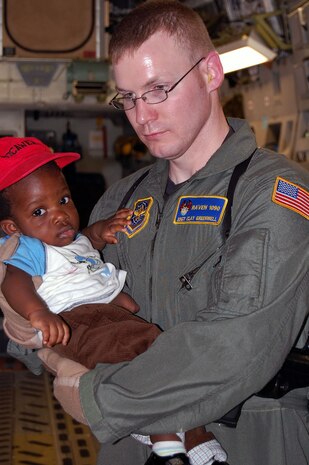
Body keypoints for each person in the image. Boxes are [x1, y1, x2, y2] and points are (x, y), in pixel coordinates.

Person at [5, 1, 309, 464]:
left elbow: (237, 343)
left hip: (247, 438)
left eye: (158, 89)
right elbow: (75, 310)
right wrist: (25, 329)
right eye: (127, 97)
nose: (141, 116)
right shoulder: (123, 199)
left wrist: (98, 398)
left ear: (210, 73)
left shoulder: (272, 193)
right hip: (133, 443)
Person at [0, 136, 229, 465]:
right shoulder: (31, 249)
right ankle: (166, 443)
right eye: (39, 211)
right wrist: (38, 312)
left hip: (104, 317)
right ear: (13, 227)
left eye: (63, 199)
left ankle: (190, 436)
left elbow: (87, 240)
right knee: (143, 354)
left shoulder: (69, 239)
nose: (60, 215)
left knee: (161, 356)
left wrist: (101, 230)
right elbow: (14, 282)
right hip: (77, 323)